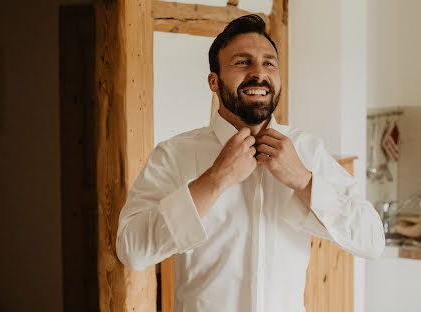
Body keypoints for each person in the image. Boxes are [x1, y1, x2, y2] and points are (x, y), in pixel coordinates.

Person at [116, 14, 385, 312]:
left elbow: (372, 240)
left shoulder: (307, 151)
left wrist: (305, 182)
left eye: (269, 63)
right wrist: (215, 179)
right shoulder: (174, 154)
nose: (259, 72)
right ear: (214, 81)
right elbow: (131, 250)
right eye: (242, 62)